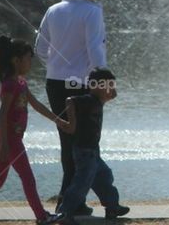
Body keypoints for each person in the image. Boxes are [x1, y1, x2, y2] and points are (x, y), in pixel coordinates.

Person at [0, 36, 69, 225]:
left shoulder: (21, 82)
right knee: (28, 179)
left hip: (12, 140)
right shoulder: (10, 85)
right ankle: (41, 216)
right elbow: (2, 114)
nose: (30, 62)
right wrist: (5, 144)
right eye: (28, 58)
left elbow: (36, 105)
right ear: (16, 61)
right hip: (10, 140)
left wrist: (58, 120)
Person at [35, 0, 107, 215]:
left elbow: (40, 48)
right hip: (82, 83)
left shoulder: (53, 10)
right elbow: (95, 48)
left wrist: (57, 66)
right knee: (86, 142)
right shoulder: (92, 11)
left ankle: (72, 200)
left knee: (67, 142)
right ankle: (71, 203)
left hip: (55, 83)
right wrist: (102, 79)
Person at [56, 69, 128, 223]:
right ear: (95, 86)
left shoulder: (99, 100)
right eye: (107, 85)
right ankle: (64, 212)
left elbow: (114, 95)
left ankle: (112, 207)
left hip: (93, 152)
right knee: (81, 184)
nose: (110, 89)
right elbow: (70, 100)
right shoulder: (89, 100)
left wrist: (110, 86)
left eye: (111, 85)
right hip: (84, 151)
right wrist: (72, 123)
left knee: (105, 177)